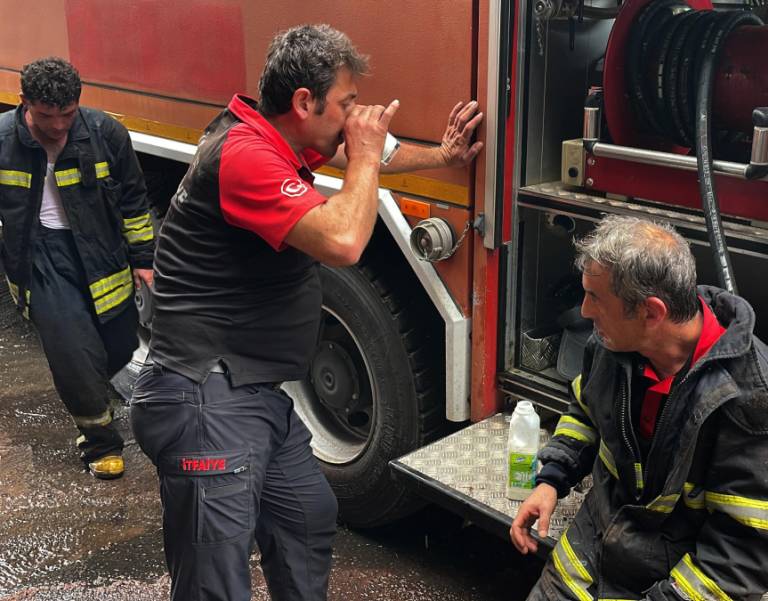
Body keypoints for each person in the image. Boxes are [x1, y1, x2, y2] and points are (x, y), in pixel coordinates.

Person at [129, 24, 482, 601]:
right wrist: (364, 156)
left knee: (307, 518)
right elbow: (344, 241)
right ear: (303, 103)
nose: (352, 119)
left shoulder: (278, 138)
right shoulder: (245, 155)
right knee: (214, 578)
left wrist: (441, 155)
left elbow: (369, 152)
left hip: (256, 391)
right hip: (204, 394)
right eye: (345, 104)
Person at [510, 216, 768, 601]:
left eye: (596, 298)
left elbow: (745, 552)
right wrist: (551, 480)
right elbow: (586, 411)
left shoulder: (758, 407)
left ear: (651, 312)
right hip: (588, 554)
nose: (584, 310)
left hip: (673, 585)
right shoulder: (610, 344)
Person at [0, 57, 154, 480]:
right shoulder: (2, 141)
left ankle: (89, 390)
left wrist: (143, 258)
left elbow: (134, 200)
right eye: (47, 116)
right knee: (72, 349)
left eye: (67, 114)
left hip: (100, 250)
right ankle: (99, 439)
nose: (58, 126)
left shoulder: (105, 133)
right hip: (40, 256)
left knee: (119, 343)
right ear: (24, 103)